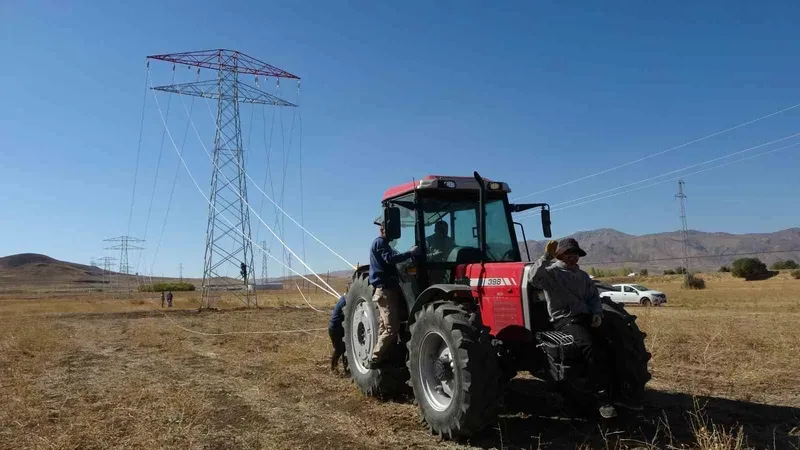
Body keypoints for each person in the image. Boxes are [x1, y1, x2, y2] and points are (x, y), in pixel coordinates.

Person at [528, 238, 622, 419]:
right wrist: (546, 257)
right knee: (589, 348)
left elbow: (594, 297)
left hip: (586, 318)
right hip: (565, 320)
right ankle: (601, 396)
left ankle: (619, 389)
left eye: (576, 254)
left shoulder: (583, 276)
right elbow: (533, 278)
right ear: (559, 255)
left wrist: (597, 313)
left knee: (609, 345)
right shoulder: (550, 273)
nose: (573, 257)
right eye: (568, 254)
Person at [367, 217, 418, 368]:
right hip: (385, 290)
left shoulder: (383, 244)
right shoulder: (380, 243)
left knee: (384, 327)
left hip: (386, 290)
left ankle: (384, 358)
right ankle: (374, 358)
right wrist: (410, 253)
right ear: (384, 229)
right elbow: (390, 259)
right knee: (391, 329)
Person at [328, 294, 348, 374]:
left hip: (340, 329)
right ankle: (333, 368)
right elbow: (347, 315)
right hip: (335, 329)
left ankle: (347, 370)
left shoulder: (344, 299)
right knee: (339, 350)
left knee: (344, 349)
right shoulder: (344, 301)